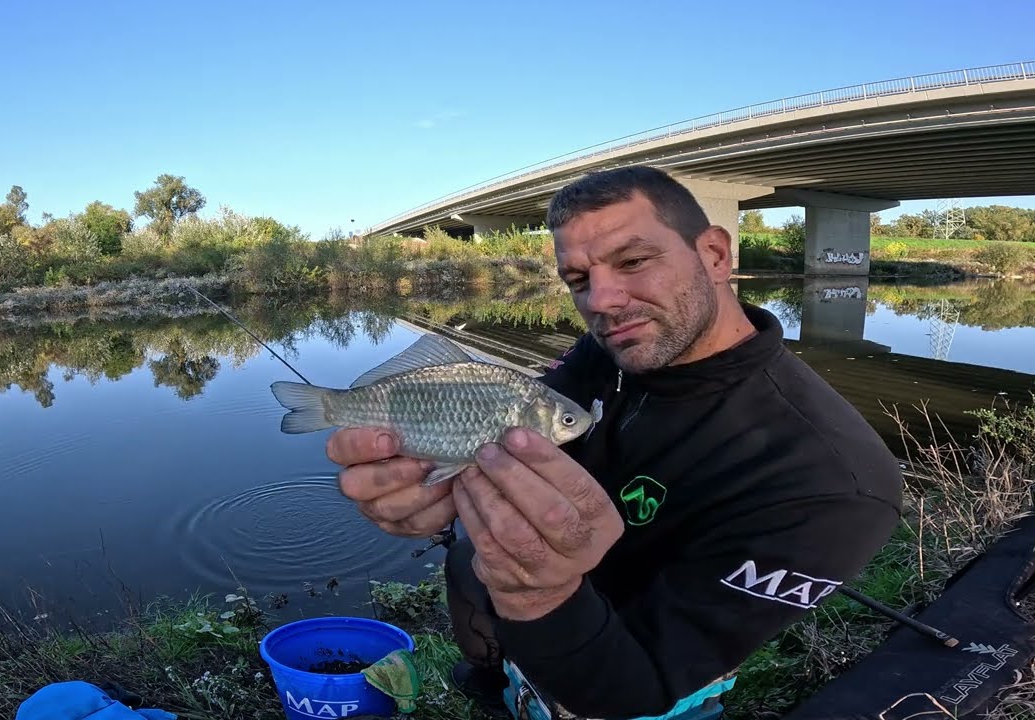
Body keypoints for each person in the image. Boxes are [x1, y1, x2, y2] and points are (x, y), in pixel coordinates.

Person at [326, 165, 903, 719]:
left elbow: (641, 682)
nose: (600, 302)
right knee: (467, 572)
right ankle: (492, 685)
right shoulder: (617, 345)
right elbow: (520, 430)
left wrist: (535, 594)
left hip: (624, 682)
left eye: (632, 261)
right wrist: (430, 479)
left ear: (714, 255)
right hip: (522, 634)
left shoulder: (834, 485)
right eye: (578, 280)